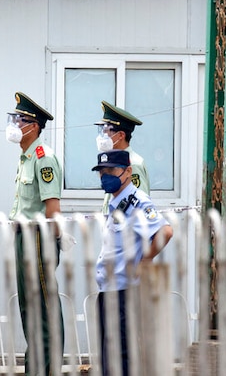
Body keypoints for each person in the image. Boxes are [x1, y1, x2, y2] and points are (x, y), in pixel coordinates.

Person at [92, 149, 173, 376]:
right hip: (108, 290)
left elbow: (165, 231)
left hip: (123, 291)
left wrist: (145, 260)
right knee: (110, 357)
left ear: (128, 172)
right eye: (101, 172)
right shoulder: (117, 202)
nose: (105, 176)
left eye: (111, 170)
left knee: (121, 358)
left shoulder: (136, 202)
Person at [7, 92, 63, 376]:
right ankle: (35, 365)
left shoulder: (43, 158)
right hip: (23, 237)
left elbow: (52, 208)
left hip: (38, 239)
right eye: (15, 118)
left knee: (42, 307)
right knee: (28, 306)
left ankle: (45, 367)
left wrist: (51, 248)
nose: (15, 124)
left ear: (34, 126)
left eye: (21, 119)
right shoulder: (26, 157)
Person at [95, 101, 149, 195]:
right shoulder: (113, 161)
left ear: (120, 135)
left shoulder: (132, 163)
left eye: (106, 131)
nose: (103, 136)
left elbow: (139, 204)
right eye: (102, 131)